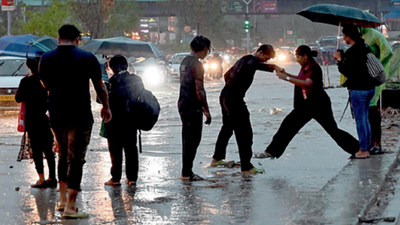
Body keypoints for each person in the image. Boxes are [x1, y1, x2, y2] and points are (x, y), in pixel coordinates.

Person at [39, 24, 112, 218]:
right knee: (76, 158)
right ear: (77, 39)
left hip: (56, 113)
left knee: (62, 153)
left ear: (58, 37)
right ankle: (71, 206)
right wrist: (106, 106)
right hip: (80, 114)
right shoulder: (87, 58)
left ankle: (62, 200)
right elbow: (99, 86)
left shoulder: (46, 58)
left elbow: (45, 84)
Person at [255, 45, 359, 160]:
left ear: (305, 56)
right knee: (288, 125)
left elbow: (308, 84)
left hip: (318, 104)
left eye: (298, 57)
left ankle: (358, 148)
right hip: (307, 104)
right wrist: (287, 74)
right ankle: (271, 152)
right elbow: (300, 79)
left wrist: (286, 78)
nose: (297, 59)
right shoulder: (304, 66)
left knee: (333, 131)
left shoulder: (314, 68)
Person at [210, 44, 282, 173]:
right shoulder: (252, 61)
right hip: (234, 100)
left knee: (227, 128)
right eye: (267, 57)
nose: (266, 60)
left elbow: (226, 75)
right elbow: (254, 65)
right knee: (245, 133)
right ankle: (246, 166)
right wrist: (273, 67)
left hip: (225, 96)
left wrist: (232, 85)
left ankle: (216, 159)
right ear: (260, 52)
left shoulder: (243, 59)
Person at [333, 25, 377, 159]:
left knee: (360, 120)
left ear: (348, 36)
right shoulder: (365, 47)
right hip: (370, 87)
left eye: (344, 35)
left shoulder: (352, 52)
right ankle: (367, 147)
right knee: (365, 118)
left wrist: (339, 60)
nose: (343, 38)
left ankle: (363, 150)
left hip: (359, 90)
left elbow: (347, 72)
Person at [15, 55, 57, 188]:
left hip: (32, 120)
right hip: (45, 119)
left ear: (29, 66)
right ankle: (52, 177)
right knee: (49, 150)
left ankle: (41, 178)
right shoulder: (47, 81)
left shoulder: (25, 81)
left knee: (37, 149)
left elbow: (18, 98)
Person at [104, 55, 145, 186]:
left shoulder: (110, 82)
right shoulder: (137, 79)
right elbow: (142, 96)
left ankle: (115, 179)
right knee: (131, 148)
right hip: (132, 120)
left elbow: (100, 100)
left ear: (111, 68)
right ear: (126, 66)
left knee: (115, 150)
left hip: (114, 121)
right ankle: (132, 178)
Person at [178, 35, 212, 181]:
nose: (208, 52)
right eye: (208, 49)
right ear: (203, 49)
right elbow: (200, 89)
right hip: (193, 105)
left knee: (186, 138)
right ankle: (187, 173)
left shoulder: (184, 61)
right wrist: (206, 109)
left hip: (182, 103)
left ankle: (186, 171)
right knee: (193, 139)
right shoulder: (197, 65)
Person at [360, 27, 393, 155]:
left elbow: (389, 52)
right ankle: (370, 143)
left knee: (372, 108)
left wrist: (377, 66)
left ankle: (376, 144)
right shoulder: (360, 35)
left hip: (375, 78)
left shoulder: (374, 34)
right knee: (367, 111)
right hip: (365, 79)